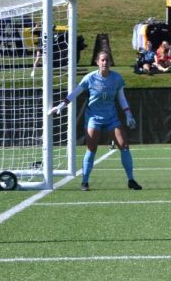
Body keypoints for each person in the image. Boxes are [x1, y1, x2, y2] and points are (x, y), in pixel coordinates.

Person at [48, 46, 142, 191]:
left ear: (110, 62)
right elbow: (75, 93)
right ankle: (84, 182)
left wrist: (128, 114)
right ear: (97, 62)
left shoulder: (117, 78)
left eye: (107, 60)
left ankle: (131, 180)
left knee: (124, 146)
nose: (105, 63)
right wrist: (61, 106)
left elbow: (121, 98)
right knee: (91, 148)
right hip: (94, 117)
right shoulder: (90, 78)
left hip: (111, 118)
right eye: (102, 60)